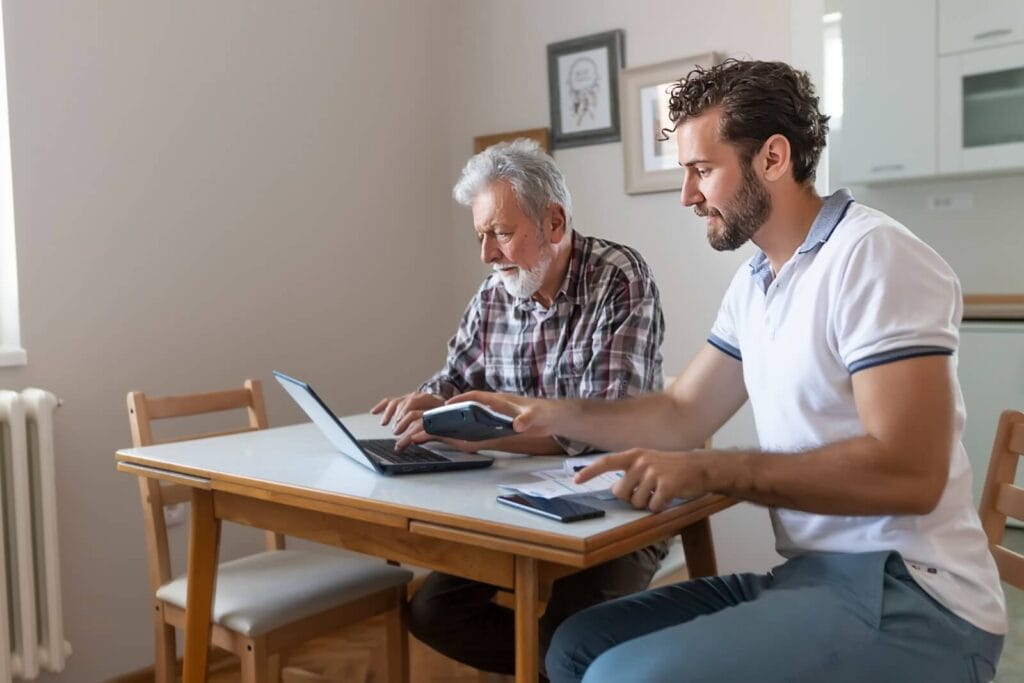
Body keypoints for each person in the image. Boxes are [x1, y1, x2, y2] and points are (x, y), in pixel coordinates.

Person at [455, 60, 1007, 683]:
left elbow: (910, 476)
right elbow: (683, 412)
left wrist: (713, 469)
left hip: (915, 595)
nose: (688, 195)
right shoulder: (757, 282)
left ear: (773, 157)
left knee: (622, 676)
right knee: (573, 645)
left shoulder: (874, 257)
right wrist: (549, 413)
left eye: (702, 170)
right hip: (812, 577)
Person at [371, 138, 668, 677]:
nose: (487, 255)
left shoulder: (620, 278)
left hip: (619, 502)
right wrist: (428, 402)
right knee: (432, 612)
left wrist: (483, 436)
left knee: (565, 636)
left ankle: (563, 660)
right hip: (517, 505)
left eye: (502, 234)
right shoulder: (493, 293)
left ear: (554, 222)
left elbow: (602, 424)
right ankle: (553, 666)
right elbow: (454, 379)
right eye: (482, 235)